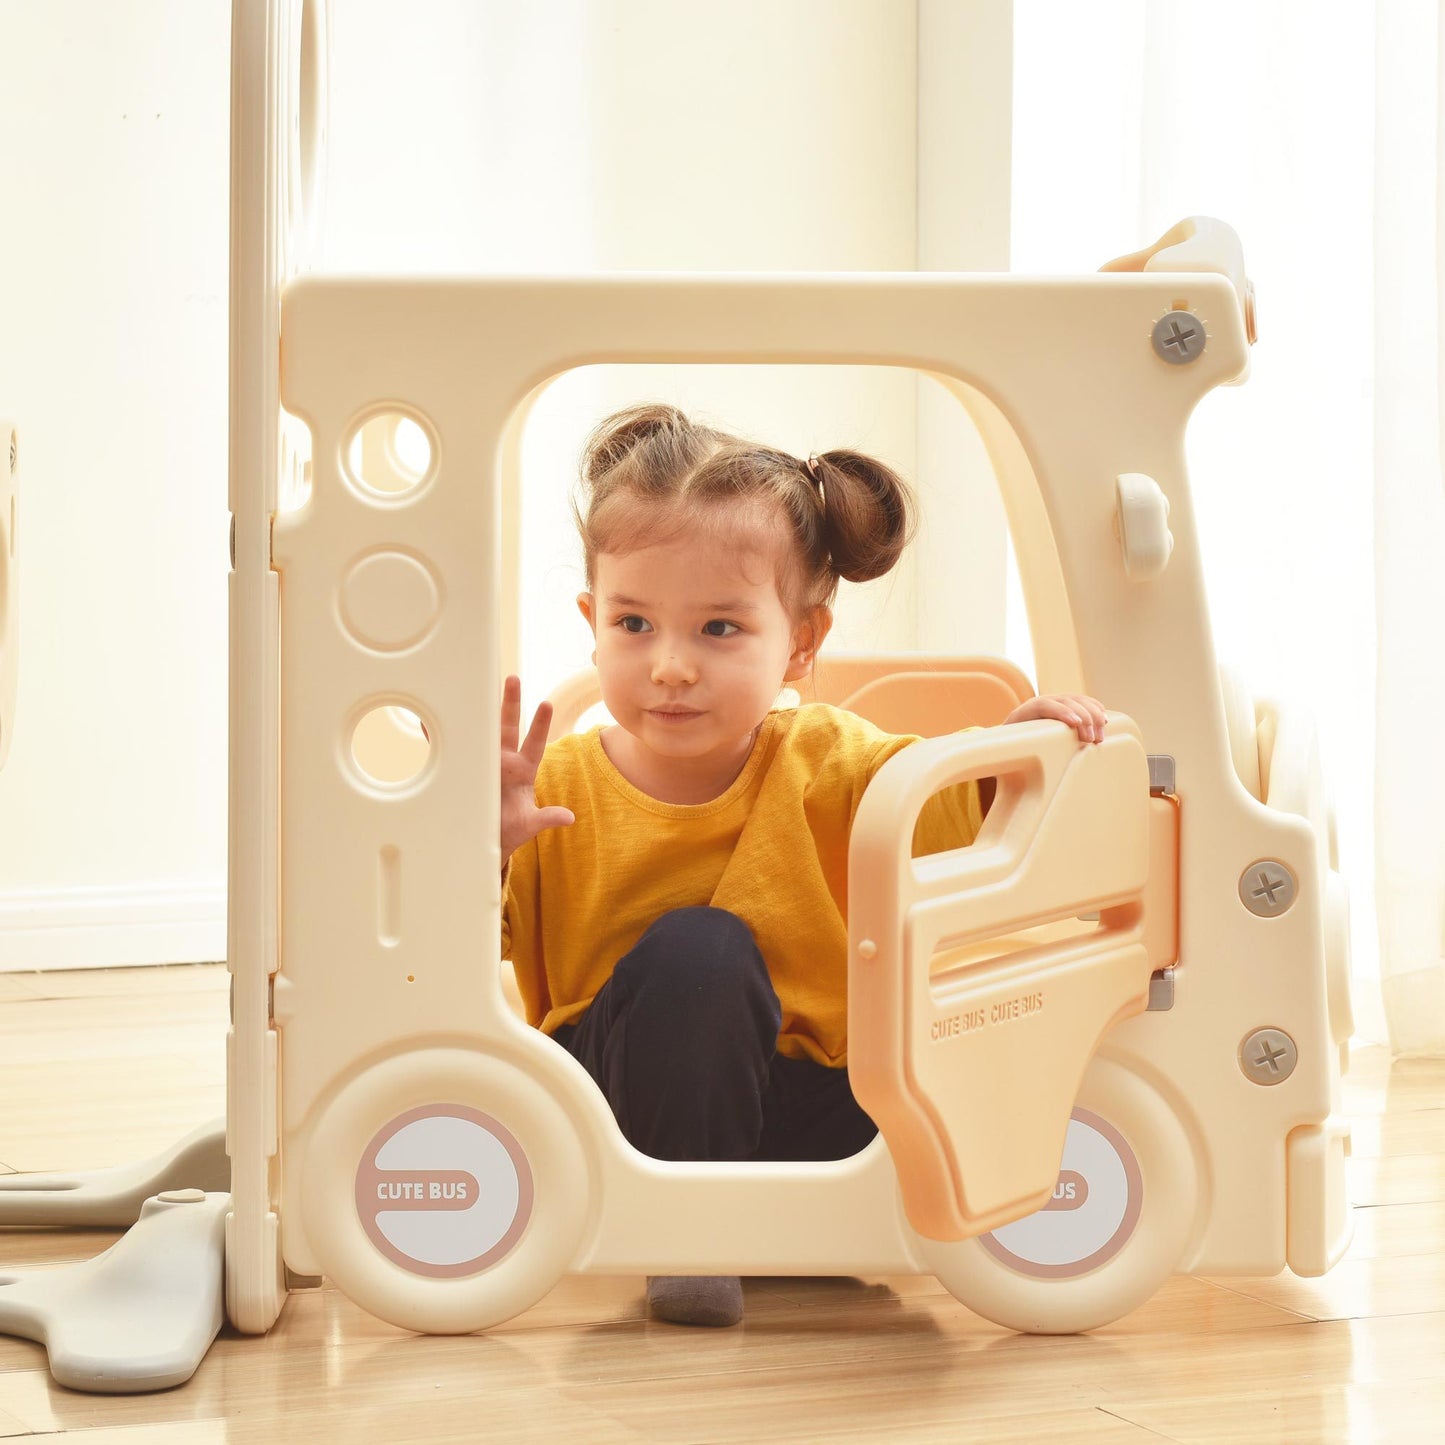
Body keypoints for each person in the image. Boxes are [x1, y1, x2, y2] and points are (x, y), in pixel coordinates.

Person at [499, 403, 1107, 1328]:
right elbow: (430, 951)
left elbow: (954, 804)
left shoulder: (833, 756)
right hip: (622, 1111)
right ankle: (691, 1235)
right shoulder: (556, 785)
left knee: (919, 1061)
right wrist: (480, 842)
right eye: (632, 623)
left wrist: (1021, 749)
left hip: (803, 1107)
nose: (668, 665)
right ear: (591, 620)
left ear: (803, 642)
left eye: (717, 629)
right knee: (701, 952)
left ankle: (807, 1225)